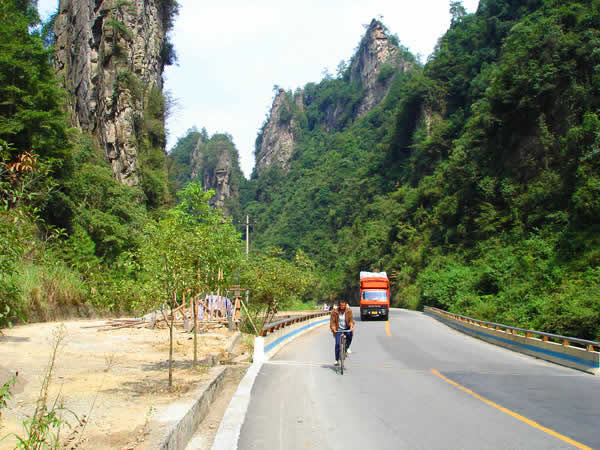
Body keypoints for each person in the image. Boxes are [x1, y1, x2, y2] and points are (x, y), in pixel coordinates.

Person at [330, 300, 354, 365]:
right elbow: (332, 322)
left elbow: (351, 320)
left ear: (345, 305)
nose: (342, 307)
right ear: (339, 305)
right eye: (341, 305)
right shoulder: (335, 312)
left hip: (347, 328)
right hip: (338, 329)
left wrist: (351, 326)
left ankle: (347, 347)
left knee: (350, 335)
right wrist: (333, 328)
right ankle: (337, 360)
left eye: (343, 305)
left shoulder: (349, 311)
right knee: (337, 344)